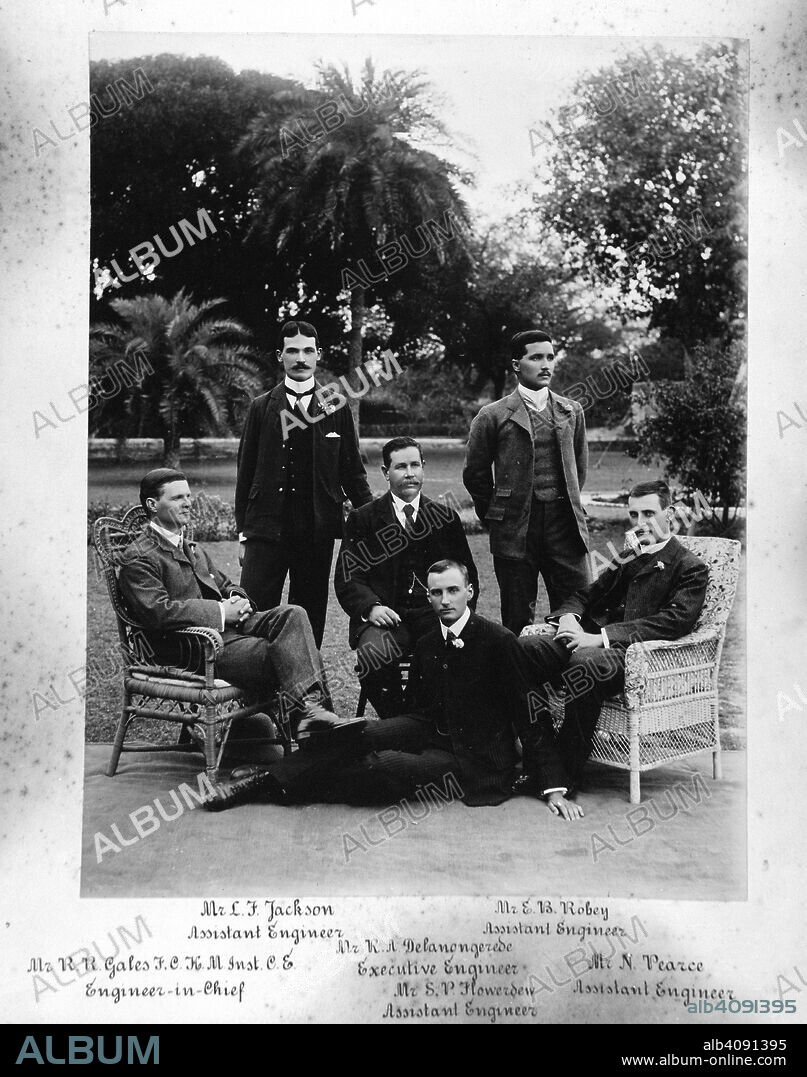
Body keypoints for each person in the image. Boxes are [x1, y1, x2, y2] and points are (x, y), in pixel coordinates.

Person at [202, 560, 545, 813]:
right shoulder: (428, 643)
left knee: (380, 764)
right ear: (429, 596)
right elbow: (416, 710)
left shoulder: (499, 641)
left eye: (453, 591)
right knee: (353, 735)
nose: (445, 600)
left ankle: (269, 784)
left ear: (469, 592)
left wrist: (552, 782)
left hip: (473, 758)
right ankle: (269, 779)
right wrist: (386, 730)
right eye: (436, 592)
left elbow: (530, 711)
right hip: (430, 731)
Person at [118, 469, 364, 743]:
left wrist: (239, 599)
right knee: (291, 652)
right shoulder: (139, 557)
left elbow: (226, 585)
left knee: (293, 614)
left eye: (188, 496)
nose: (188, 502)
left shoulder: (192, 547)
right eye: (177, 498)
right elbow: (158, 613)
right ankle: (317, 726)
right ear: (153, 505)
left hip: (227, 636)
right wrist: (223, 612)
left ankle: (313, 721)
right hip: (192, 648)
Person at [516, 480, 709, 820]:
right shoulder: (629, 556)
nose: (640, 523)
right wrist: (569, 620)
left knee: (585, 663)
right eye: (634, 514)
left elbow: (671, 623)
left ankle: (564, 775)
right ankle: (541, 762)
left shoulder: (689, 567)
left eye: (649, 513)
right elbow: (585, 594)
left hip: (633, 657)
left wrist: (601, 637)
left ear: (671, 514)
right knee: (524, 649)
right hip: (585, 640)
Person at [234, 319, 373, 647]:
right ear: (280, 355)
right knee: (253, 611)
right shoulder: (261, 407)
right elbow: (246, 472)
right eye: (292, 351)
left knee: (309, 614)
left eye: (308, 351)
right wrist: (244, 533)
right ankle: (256, 692)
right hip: (266, 529)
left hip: (316, 530)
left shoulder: (335, 406)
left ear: (318, 355)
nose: (300, 358)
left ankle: (303, 690)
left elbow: (352, 472)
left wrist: (375, 518)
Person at [334, 437, 480, 718]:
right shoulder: (364, 519)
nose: (410, 473)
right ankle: (398, 722)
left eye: (415, 465)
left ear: (423, 468)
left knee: (458, 654)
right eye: (401, 467)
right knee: (374, 655)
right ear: (385, 473)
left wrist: (458, 615)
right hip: (388, 617)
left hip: (434, 616)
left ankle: (425, 721)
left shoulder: (445, 518)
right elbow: (348, 576)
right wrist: (371, 607)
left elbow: (466, 574)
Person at [463, 328, 591, 635]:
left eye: (550, 357)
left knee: (577, 608)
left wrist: (564, 502)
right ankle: (521, 681)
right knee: (518, 615)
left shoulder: (571, 411)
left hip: (564, 526)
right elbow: (475, 474)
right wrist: (496, 514)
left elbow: (579, 469)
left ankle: (571, 679)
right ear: (517, 365)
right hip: (516, 530)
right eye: (536, 357)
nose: (545, 364)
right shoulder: (492, 415)